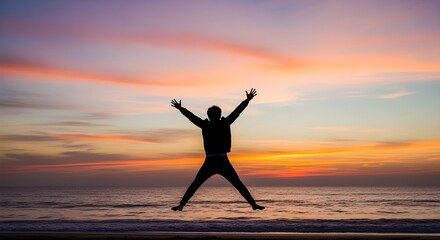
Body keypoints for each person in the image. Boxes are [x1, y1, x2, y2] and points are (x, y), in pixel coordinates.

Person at [170, 88, 265, 211]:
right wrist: (247, 100)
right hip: (222, 160)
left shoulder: (207, 124)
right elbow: (237, 112)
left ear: (209, 116)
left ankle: (181, 205)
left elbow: (192, 117)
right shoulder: (224, 123)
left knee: (196, 184)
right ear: (219, 115)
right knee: (237, 183)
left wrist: (181, 109)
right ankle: (253, 204)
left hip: (212, 161)